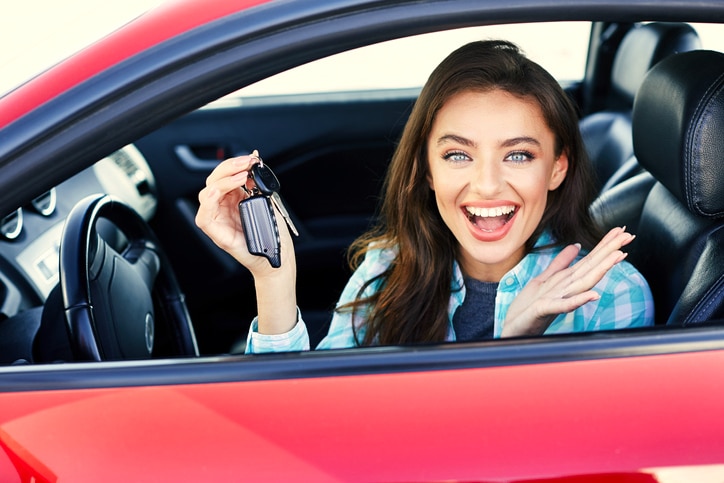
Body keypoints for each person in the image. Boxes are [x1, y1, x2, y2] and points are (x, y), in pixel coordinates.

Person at [196, 40, 654, 353]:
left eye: (517, 156)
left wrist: (516, 344)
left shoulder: (610, 297)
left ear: (558, 168)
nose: (488, 185)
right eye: (458, 155)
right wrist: (273, 277)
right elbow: (301, 423)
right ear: (427, 171)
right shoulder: (386, 271)